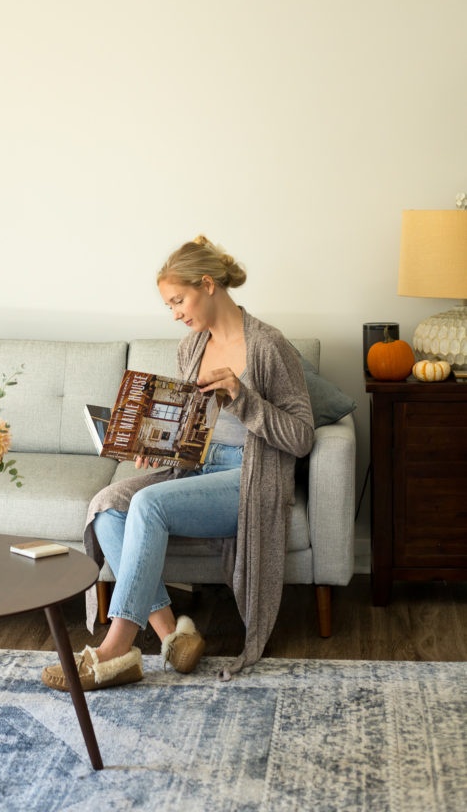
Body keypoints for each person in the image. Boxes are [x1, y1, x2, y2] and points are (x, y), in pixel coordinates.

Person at [41, 235, 314, 692]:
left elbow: (302, 438)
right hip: (196, 470)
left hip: (249, 475)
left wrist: (243, 399)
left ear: (207, 284)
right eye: (169, 305)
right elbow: (190, 430)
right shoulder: (191, 347)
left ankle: (115, 649)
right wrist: (157, 445)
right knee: (108, 505)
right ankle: (172, 637)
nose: (175, 313)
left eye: (178, 300)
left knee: (148, 505)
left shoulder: (269, 345)